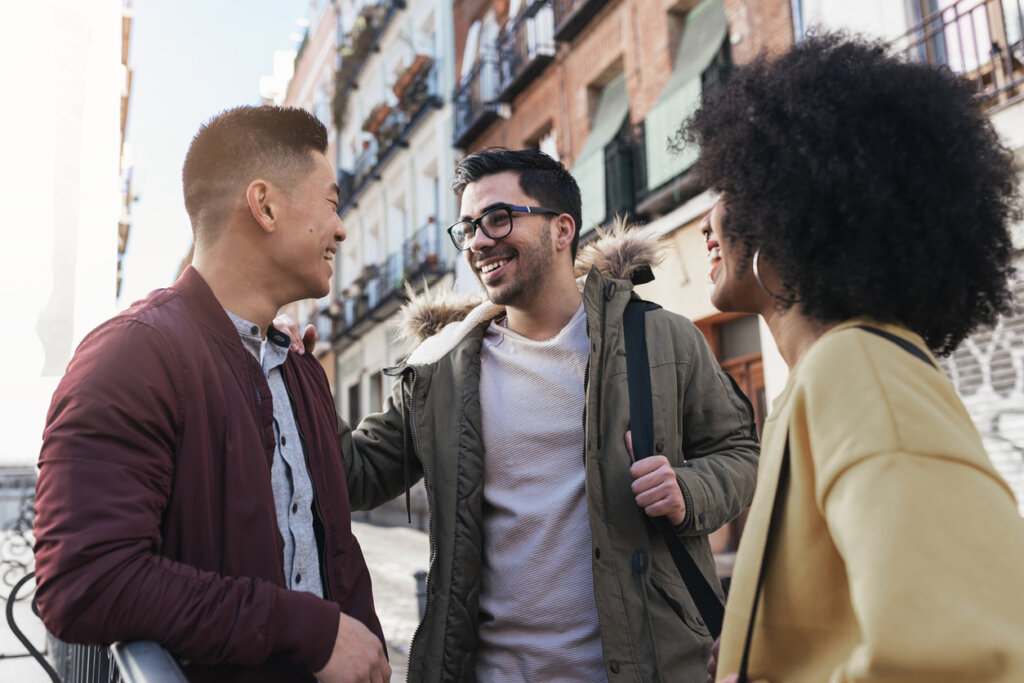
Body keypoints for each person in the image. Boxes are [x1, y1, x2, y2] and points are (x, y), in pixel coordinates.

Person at [285, 148, 760, 681]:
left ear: (561, 230)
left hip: (648, 664)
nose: (477, 241)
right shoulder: (441, 367)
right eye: (467, 227)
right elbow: (356, 476)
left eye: (497, 218)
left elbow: (741, 452)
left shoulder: (659, 338)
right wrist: (299, 380)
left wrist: (688, 491)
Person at [681, 34, 1024, 682]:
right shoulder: (820, 377)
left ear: (789, 204)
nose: (707, 220)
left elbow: (965, 658)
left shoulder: (856, 367)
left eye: (727, 184)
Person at [34, 106, 391, 683]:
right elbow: (84, 581)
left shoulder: (301, 370)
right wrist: (309, 629)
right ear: (265, 205)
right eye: (330, 202)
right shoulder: (131, 355)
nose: (342, 227)